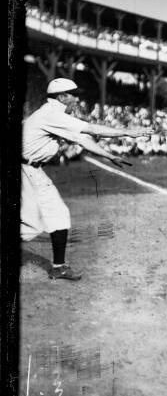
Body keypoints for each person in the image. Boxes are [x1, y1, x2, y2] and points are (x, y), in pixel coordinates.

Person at [21, 78, 153, 280]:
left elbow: (83, 139)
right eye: (73, 94)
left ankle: (58, 266)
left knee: (58, 215)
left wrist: (109, 155)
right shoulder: (51, 114)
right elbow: (90, 129)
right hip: (23, 169)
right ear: (61, 97)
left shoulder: (56, 114)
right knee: (31, 226)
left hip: (32, 170)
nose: (76, 98)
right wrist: (126, 131)